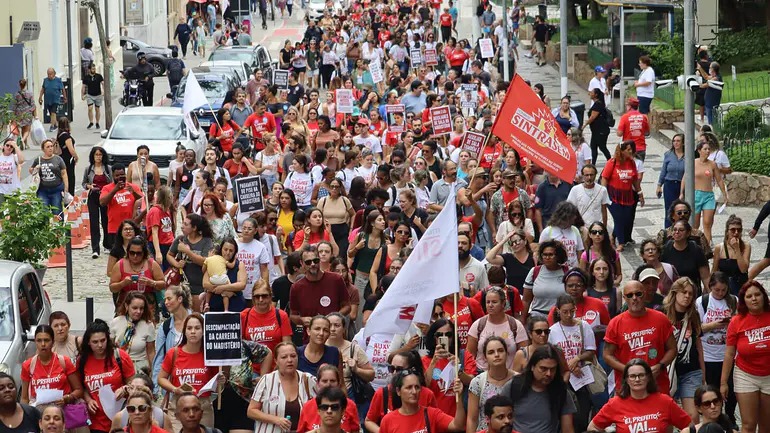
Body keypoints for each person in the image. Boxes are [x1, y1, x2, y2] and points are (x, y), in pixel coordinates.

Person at [604, 280, 677, 394]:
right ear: (624, 298)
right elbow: (607, 355)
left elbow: (672, 348)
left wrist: (661, 366)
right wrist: (628, 371)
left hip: (657, 386)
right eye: (630, 295)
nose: (634, 298)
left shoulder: (661, 319)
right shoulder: (615, 323)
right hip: (627, 388)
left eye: (638, 294)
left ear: (645, 294)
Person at [587, 359, 691, 433]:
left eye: (641, 375)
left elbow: (690, 426)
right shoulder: (615, 403)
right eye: (632, 376)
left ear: (648, 377)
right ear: (626, 380)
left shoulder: (665, 401)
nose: (637, 379)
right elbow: (592, 427)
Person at [158, 313, 223, 430]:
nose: (193, 332)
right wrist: (175, 389)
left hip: (203, 407)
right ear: (184, 331)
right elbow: (161, 378)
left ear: (203, 331)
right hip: (179, 405)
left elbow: (217, 382)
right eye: (189, 328)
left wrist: (221, 380)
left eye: (197, 328)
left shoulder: (210, 355)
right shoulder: (174, 353)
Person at [721, 280, 770, 433]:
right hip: (745, 375)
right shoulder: (736, 321)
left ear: (764, 296)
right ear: (744, 301)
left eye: (757, 295)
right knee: (748, 425)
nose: (754, 299)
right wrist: (723, 382)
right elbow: (729, 353)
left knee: (766, 425)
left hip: (768, 375)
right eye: (749, 296)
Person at [501, 344, 576, 433]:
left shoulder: (561, 392)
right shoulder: (513, 386)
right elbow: (499, 419)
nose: (548, 374)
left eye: (552, 369)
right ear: (532, 367)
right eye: (543, 369)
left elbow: (567, 429)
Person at [78, 319, 136, 433]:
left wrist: (124, 389)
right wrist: (88, 400)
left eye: (103, 340)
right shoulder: (82, 361)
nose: (100, 345)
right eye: (95, 342)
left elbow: (134, 385)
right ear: (88, 342)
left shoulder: (120, 356)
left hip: (121, 419)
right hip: (96, 422)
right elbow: (80, 387)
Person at [696, 274, 738, 427]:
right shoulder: (702, 302)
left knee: (731, 390)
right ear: (710, 287)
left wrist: (731, 323)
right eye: (716, 290)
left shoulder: (734, 301)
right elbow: (697, 328)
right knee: (714, 389)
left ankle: (730, 416)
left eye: (723, 290)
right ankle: (717, 418)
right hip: (709, 355)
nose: (720, 293)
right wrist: (715, 325)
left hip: (728, 353)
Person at [248, 342, 318, 433]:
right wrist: (276, 419)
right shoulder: (266, 380)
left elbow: (322, 407)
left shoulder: (309, 380)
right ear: (276, 360)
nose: (289, 360)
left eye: (293, 356)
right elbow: (251, 411)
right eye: (284, 357)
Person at [662, 277, 705, 422]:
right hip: (668, 370)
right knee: (666, 416)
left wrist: (703, 372)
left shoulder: (693, 315)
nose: (687, 296)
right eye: (684, 292)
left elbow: (698, 345)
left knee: (693, 416)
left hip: (691, 371)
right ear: (675, 292)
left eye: (690, 294)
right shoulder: (662, 313)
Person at [377, 369, 465, 433]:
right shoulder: (388, 420)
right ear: (398, 391)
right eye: (409, 387)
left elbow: (458, 426)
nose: (414, 391)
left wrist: (460, 396)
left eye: (417, 387)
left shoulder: (432, 414)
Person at [20, 325, 83, 406]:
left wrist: (68, 398)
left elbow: (79, 390)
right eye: (39, 340)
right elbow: (24, 398)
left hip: (62, 409)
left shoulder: (64, 361)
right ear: (35, 342)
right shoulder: (28, 365)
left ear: (53, 342)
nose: (43, 344)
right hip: (38, 410)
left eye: (46, 340)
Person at [467, 288, 527, 371]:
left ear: (503, 303)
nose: (490, 305)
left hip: (509, 374)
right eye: (488, 302)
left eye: (494, 302)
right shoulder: (477, 325)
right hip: (482, 373)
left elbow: (524, 356)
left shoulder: (516, 326)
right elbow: (470, 356)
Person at [291, 246, 351, 329]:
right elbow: (293, 315)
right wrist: (302, 320)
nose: (312, 264)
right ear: (301, 263)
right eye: (308, 262)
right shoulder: (296, 287)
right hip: (310, 333)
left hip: (332, 332)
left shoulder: (336, 279)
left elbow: (347, 306)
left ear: (319, 259)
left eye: (315, 260)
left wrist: (333, 318)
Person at [467, 337, 515, 433]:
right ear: (485, 357)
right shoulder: (477, 382)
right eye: (491, 352)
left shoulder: (518, 380)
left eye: (500, 350)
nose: (496, 355)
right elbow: (472, 419)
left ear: (507, 353)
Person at [167, 214, 215, 312]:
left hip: (199, 287)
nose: (182, 226)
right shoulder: (180, 239)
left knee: (197, 315)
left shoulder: (206, 241)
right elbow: (169, 255)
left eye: (185, 224)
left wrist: (187, 251)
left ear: (194, 228)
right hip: (182, 286)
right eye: (182, 223)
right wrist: (176, 264)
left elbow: (205, 262)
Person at [601, 140, 642, 250]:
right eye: (628, 149)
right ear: (622, 151)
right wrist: (603, 194)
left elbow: (635, 180)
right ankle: (621, 242)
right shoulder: (612, 162)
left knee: (626, 218)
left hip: (627, 196)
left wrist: (640, 193)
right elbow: (604, 178)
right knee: (618, 218)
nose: (631, 151)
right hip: (613, 195)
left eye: (631, 149)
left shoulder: (632, 162)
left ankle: (613, 236)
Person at [297, 366, 359, 433]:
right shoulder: (308, 406)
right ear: (317, 383)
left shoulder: (350, 405)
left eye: (335, 407)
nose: (328, 384)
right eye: (324, 381)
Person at [689, 140, 727, 244]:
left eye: (709, 149)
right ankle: (694, 244)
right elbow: (685, 177)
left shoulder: (712, 164)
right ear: (699, 150)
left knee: (707, 222)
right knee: (695, 224)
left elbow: (719, 179)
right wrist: (682, 192)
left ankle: (707, 245)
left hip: (709, 195)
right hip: (696, 195)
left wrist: (724, 193)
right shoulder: (693, 162)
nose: (708, 151)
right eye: (705, 149)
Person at [152, 286, 191, 385]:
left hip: (196, 375)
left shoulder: (200, 320)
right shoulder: (165, 327)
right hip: (173, 381)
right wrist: (156, 386)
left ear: (180, 299)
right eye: (165, 299)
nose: (166, 302)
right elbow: (160, 358)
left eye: (169, 299)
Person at [109, 292, 156, 372]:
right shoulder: (116, 322)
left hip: (139, 367)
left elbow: (151, 352)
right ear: (127, 306)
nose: (138, 311)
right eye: (135, 308)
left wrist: (154, 372)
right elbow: (110, 348)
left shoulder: (148, 325)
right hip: (119, 366)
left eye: (141, 308)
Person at [522, 240, 569, 321]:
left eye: (551, 255)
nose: (547, 257)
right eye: (545, 255)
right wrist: (522, 320)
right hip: (537, 318)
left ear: (558, 256)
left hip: (561, 318)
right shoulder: (534, 271)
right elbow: (526, 300)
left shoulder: (568, 272)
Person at [100, 164, 143, 248]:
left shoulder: (132, 187)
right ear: (113, 176)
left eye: (122, 175)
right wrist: (115, 190)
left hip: (131, 227)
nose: (120, 177)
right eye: (117, 175)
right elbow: (102, 203)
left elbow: (143, 201)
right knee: (116, 253)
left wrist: (134, 193)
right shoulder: (107, 188)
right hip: (114, 228)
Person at [661, 220, 710, 293]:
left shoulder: (696, 250)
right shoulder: (665, 249)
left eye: (681, 230)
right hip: (671, 293)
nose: (677, 232)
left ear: (688, 233)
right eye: (675, 230)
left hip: (692, 292)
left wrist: (711, 295)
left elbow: (705, 277)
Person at [82, 147, 112, 257]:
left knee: (106, 221)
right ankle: (95, 248)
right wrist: (89, 186)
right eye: (96, 155)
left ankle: (107, 244)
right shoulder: (88, 169)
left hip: (105, 197)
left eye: (100, 155)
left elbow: (112, 182)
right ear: (93, 156)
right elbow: (84, 183)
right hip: (93, 197)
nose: (98, 157)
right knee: (94, 223)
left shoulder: (108, 169)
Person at [712, 215, 750, 295]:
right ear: (727, 232)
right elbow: (714, 270)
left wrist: (737, 249)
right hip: (724, 289)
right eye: (733, 230)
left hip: (740, 287)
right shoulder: (719, 248)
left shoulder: (746, 246)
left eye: (739, 230)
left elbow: (743, 269)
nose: (736, 233)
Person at [29, 139, 68, 216]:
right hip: (43, 190)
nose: (50, 148)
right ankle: (45, 224)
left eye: (51, 146)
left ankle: (58, 224)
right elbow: (31, 170)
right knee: (43, 212)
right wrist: (35, 169)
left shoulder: (58, 159)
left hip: (56, 190)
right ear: (43, 149)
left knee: (57, 212)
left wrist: (66, 188)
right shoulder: (38, 160)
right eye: (48, 147)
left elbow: (64, 174)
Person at [657, 134, 686, 228]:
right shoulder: (668, 155)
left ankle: (681, 229)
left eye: (678, 141)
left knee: (682, 209)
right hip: (669, 184)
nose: (676, 143)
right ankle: (668, 230)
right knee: (669, 209)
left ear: (683, 143)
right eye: (674, 141)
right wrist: (659, 185)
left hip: (682, 185)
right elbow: (663, 170)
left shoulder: (687, 156)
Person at [38, 68, 66, 132]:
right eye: (48, 74)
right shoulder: (45, 80)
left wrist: (65, 97)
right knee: (51, 113)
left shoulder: (58, 80)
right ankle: (56, 124)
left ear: (54, 74)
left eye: (51, 74)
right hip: (48, 100)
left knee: (53, 112)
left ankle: (52, 126)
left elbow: (63, 89)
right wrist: (40, 97)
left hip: (55, 99)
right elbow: (43, 89)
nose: (49, 75)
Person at [12, 79, 36, 148]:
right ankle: (22, 140)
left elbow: (14, 105)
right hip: (27, 113)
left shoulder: (17, 94)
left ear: (19, 85)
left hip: (19, 113)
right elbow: (33, 105)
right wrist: (32, 112)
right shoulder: (30, 93)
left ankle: (25, 144)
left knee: (23, 129)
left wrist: (13, 115)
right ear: (26, 84)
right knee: (27, 130)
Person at [0, 139, 24, 206]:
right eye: (7, 145)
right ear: (3, 146)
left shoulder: (14, 157)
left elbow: (21, 160)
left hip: (13, 190)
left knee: (13, 211)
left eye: (11, 146)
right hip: (1, 190)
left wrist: (16, 146)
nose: (9, 147)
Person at [81, 62, 104, 130]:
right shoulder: (86, 78)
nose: (94, 70)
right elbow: (83, 87)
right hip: (90, 95)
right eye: (92, 69)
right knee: (90, 108)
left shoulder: (99, 76)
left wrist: (103, 91)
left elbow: (103, 83)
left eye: (94, 69)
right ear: (89, 70)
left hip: (98, 94)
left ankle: (97, 122)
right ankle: (91, 122)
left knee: (97, 109)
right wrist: (82, 95)